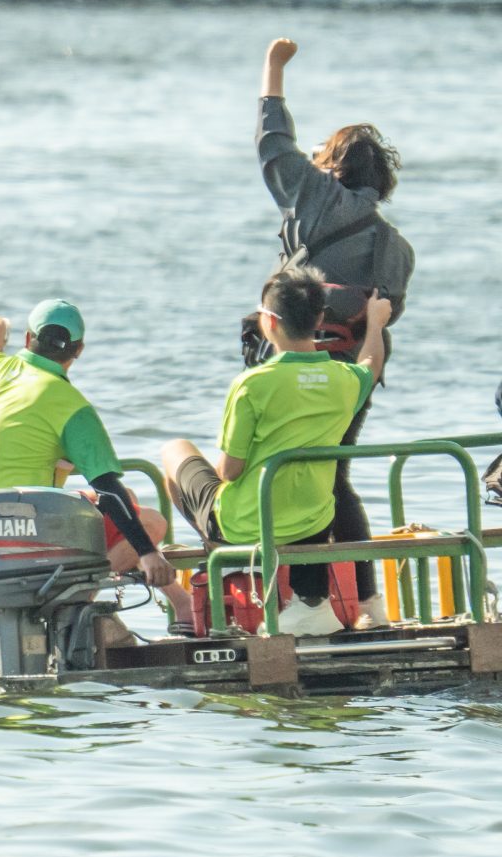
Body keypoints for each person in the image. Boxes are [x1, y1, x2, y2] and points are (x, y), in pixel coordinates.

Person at [257, 35, 413, 620]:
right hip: (355, 375)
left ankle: (313, 601)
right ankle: (369, 603)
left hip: (296, 367)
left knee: (294, 473)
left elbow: (273, 142)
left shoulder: (316, 198)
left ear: (333, 168)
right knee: (336, 476)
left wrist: (273, 68)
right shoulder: (396, 247)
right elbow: (385, 315)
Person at [0, 260, 172, 589]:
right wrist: (147, 554)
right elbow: (108, 490)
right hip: (27, 549)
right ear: (79, 350)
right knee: (150, 521)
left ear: (28, 338)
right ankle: (70, 601)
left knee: (123, 498)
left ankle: (87, 612)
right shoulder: (72, 406)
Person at [160, 269, 390, 636]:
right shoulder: (345, 380)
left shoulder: (253, 384)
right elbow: (371, 365)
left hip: (248, 524)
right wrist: (375, 324)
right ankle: (309, 605)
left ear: (268, 321)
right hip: (313, 524)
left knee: (174, 450)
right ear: (318, 319)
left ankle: (217, 548)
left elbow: (229, 471)